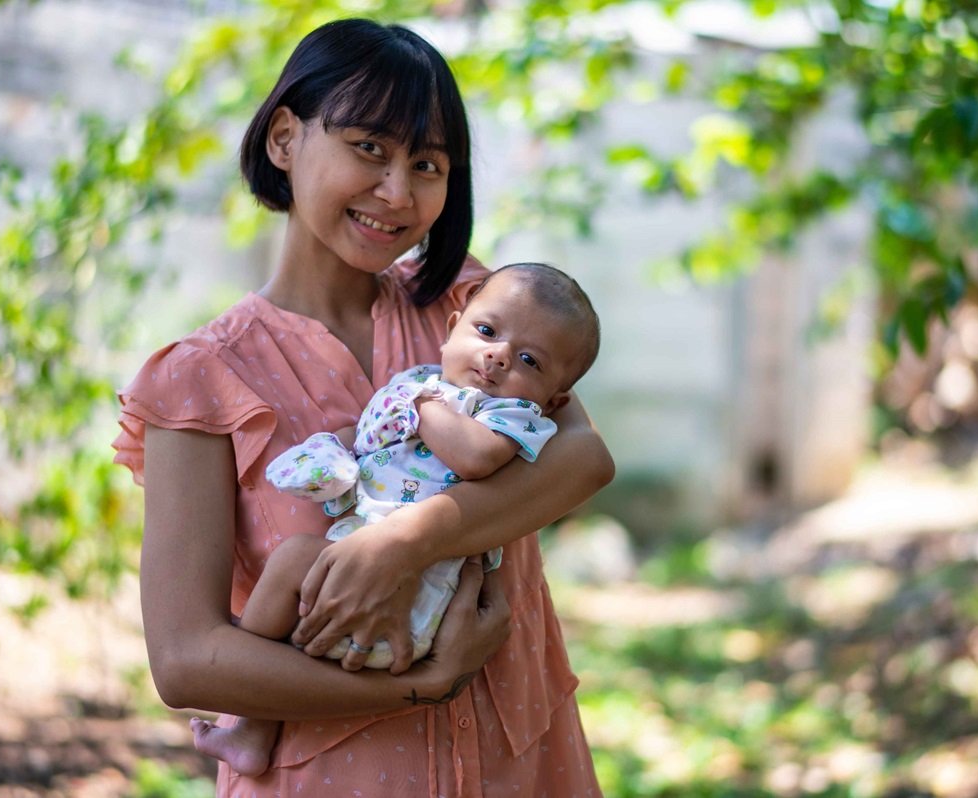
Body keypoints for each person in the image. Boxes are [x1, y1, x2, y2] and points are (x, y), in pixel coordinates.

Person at [112, 18, 613, 797]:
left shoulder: (473, 311)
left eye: (428, 163)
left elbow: (584, 459)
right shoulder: (200, 382)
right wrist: (423, 682)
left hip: (524, 757)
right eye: (369, 148)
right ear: (284, 138)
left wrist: (403, 543)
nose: (398, 192)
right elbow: (187, 658)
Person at [187, 262, 601, 777]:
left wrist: (423, 405)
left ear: (555, 398)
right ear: (452, 331)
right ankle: (253, 727)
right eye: (487, 332)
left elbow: (473, 458)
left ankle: (254, 703)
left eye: (529, 360)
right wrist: (336, 451)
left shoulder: (508, 416)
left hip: (426, 596)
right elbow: (368, 438)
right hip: (352, 574)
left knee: (296, 559)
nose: (497, 356)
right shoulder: (418, 385)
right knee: (293, 561)